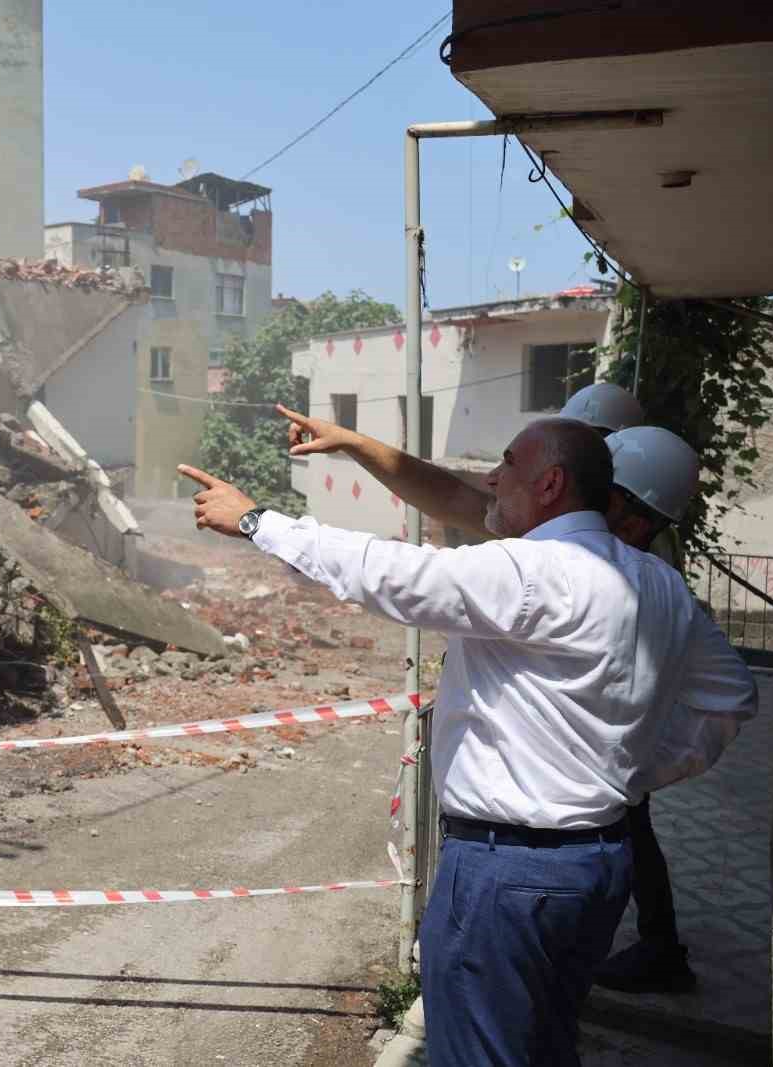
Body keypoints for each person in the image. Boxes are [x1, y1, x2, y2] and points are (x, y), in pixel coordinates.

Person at [178, 416, 757, 1067]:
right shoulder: (660, 585)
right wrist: (631, 770)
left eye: (505, 464)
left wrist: (258, 521)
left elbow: (388, 570)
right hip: (597, 863)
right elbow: (732, 696)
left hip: (503, 872)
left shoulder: (527, 570)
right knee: (545, 1043)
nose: (490, 478)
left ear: (550, 483)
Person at [279, 399, 727, 995]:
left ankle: (659, 945)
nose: (499, 481)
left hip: (519, 859)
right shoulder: (629, 567)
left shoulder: (558, 568)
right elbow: (451, 495)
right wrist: (356, 444)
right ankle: (654, 943)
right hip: (588, 841)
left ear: (627, 511)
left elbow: (405, 574)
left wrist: (638, 764)